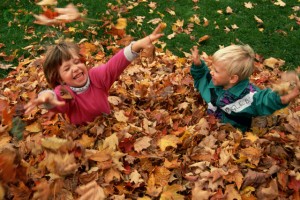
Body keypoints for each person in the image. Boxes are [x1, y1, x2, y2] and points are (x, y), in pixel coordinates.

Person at [24, 24, 164, 125]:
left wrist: (138, 45)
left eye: (77, 62)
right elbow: (57, 99)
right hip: (83, 141)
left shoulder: (96, 77)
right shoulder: (65, 92)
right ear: (59, 79)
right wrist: (46, 97)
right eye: (67, 68)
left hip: (108, 129)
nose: (75, 68)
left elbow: (115, 64)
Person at [190, 44, 299, 132]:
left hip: (233, 132)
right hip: (212, 121)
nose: (211, 72)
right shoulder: (213, 82)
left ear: (232, 78)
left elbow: (263, 100)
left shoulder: (249, 95)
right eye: (212, 68)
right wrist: (198, 65)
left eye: (216, 70)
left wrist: (281, 98)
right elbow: (201, 77)